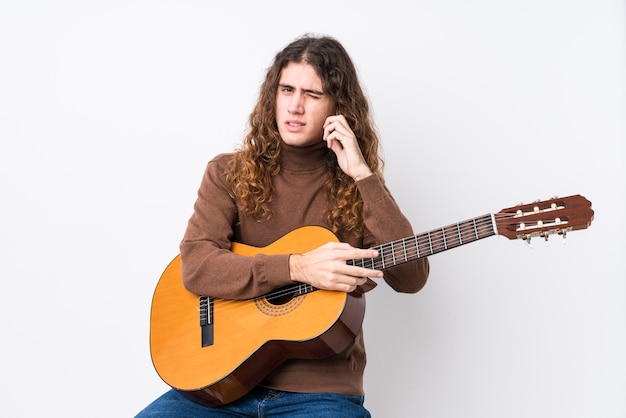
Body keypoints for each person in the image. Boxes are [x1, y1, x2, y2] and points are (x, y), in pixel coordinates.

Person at [136, 34, 429, 417]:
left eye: (313, 94)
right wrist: (297, 266)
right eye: (286, 89)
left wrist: (363, 175)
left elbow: (411, 278)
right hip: (220, 385)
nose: (294, 106)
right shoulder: (227, 172)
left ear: (338, 108)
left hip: (321, 396)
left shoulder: (359, 188)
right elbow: (196, 265)